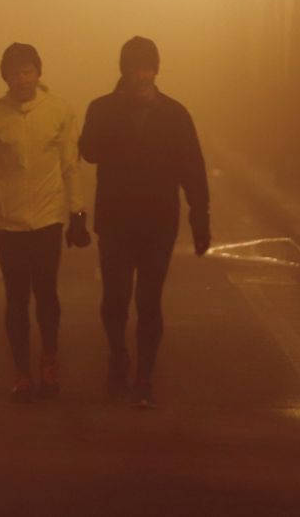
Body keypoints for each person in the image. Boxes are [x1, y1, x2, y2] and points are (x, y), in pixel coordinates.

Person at [77, 36, 209, 409]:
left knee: (149, 301)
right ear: (123, 71)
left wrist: (200, 217)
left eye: (147, 68)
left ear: (156, 70)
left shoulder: (174, 114)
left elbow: (192, 169)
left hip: (158, 222)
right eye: (134, 68)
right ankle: (118, 355)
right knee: (115, 298)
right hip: (116, 220)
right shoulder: (102, 109)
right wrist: (118, 110)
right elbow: (88, 151)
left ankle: (144, 377)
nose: (140, 76)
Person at [0, 42, 90, 403]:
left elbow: (71, 165)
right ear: (5, 77)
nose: (21, 79)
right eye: (14, 73)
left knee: (47, 296)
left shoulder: (59, 111)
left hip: (48, 220)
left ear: (39, 73)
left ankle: (49, 362)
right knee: (16, 299)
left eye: (27, 71)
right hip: (8, 223)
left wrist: (78, 214)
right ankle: (22, 371)